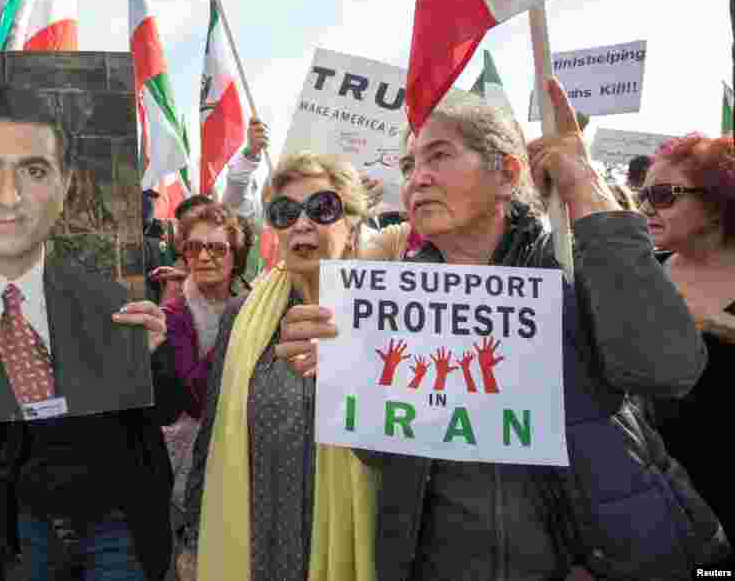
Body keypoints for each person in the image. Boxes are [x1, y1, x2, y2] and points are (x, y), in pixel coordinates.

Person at [277, 80, 721, 579]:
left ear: (507, 173)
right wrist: (343, 374)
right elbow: (381, 453)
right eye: (408, 166)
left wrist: (585, 189)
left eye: (438, 156)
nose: (418, 178)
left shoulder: (573, 266)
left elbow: (667, 371)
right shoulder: (392, 301)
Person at [0, 86, 187, 581]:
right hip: (26, 521)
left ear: (63, 185)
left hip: (115, 520)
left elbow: (168, 407)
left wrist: (155, 354)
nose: (10, 195)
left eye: (33, 171)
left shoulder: (113, 291)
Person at [179, 152, 378, 581]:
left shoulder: (389, 314)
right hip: (260, 545)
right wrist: (193, 540)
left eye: (322, 208)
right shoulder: (244, 314)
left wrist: (351, 365)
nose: (302, 224)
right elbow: (213, 432)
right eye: (286, 213)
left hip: (357, 545)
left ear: (353, 223)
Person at [640, 133, 735, 569]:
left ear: (716, 201)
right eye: (644, 194)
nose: (646, 208)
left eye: (663, 195)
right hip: (658, 498)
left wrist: (715, 325)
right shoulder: (645, 274)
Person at [160, 203, 251, 535]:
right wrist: (235, 327)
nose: (204, 256)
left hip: (246, 451)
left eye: (216, 247)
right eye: (194, 247)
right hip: (194, 458)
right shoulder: (174, 315)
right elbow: (198, 395)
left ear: (235, 256)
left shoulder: (256, 306)